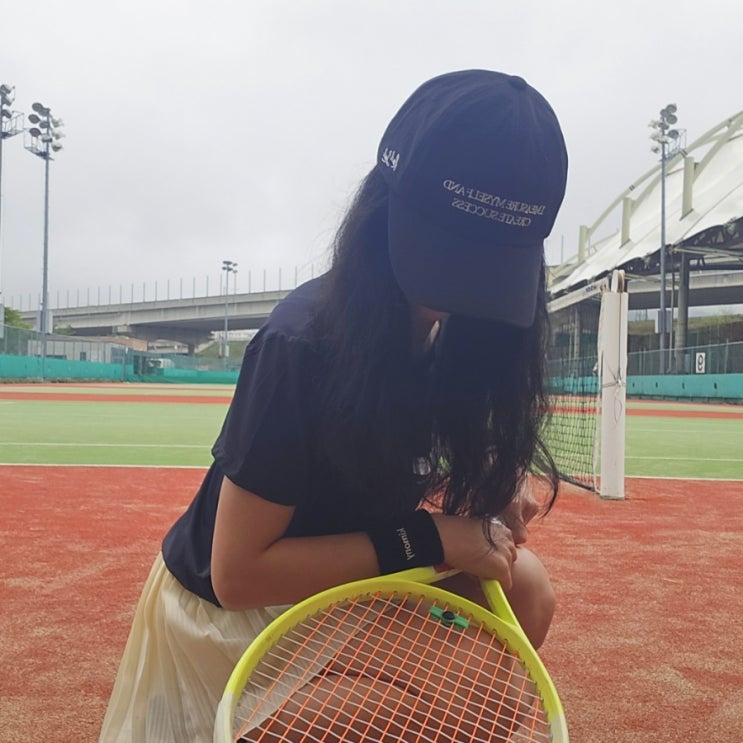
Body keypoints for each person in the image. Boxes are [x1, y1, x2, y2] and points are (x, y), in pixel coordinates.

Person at [99, 68, 568, 742]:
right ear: (385, 207)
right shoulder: (302, 343)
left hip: (345, 581)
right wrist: (435, 537)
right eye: (451, 255)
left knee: (527, 590)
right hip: (234, 617)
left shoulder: (447, 334)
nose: (466, 292)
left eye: (487, 269)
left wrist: (495, 486)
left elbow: (392, 461)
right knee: (443, 704)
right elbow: (237, 573)